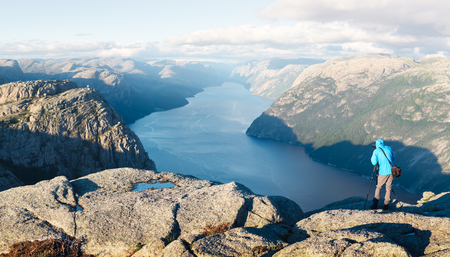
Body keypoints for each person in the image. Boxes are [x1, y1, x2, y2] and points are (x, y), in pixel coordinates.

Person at [370, 138, 395, 211]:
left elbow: (374, 162)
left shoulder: (376, 151)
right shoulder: (388, 148)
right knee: (388, 188)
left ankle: (375, 204)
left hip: (382, 172)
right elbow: (393, 158)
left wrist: (375, 154)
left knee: (378, 187)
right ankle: (386, 205)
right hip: (391, 172)